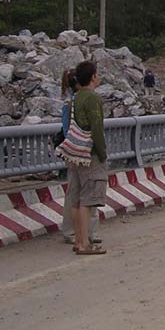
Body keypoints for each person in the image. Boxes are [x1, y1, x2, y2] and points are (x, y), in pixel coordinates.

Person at [65, 60, 108, 255]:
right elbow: (96, 127)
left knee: (75, 199)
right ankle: (84, 244)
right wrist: (102, 152)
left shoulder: (75, 97)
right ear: (92, 77)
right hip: (89, 154)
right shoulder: (92, 98)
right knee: (87, 201)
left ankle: (77, 240)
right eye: (97, 74)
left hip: (74, 153)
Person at [59, 69, 100, 247]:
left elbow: (66, 129)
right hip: (86, 152)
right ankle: (88, 233)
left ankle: (73, 233)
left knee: (74, 195)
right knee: (89, 194)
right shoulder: (88, 101)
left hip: (72, 152)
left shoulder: (69, 104)